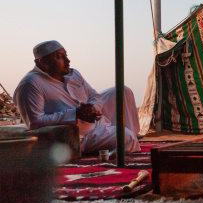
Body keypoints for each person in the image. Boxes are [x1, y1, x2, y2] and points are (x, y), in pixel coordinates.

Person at [13, 40, 141, 154]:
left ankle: (125, 137)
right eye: (60, 57)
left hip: (94, 119)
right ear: (44, 62)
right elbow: (35, 122)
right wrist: (75, 114)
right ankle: (124, 140)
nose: (67, 61)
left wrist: (92, 108)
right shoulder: (30, 84)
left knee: (122, 90)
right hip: (81, 134)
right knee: (127, 137)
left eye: (66, 56)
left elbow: (94, 95)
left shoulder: (73, 74)